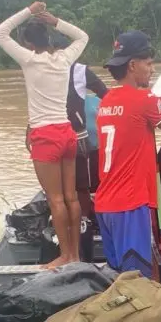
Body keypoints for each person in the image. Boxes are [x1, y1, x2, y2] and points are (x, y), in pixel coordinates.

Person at [95, 30, 161, 277]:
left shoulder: (107, 101)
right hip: (130, 204)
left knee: (118, 278)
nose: (151, 70)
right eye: (149, 63)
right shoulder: (144, 99)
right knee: (136, 281)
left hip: (105, 206)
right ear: (133, 65)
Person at [0, 2, 89, 269]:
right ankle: (76, 255)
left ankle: (66, 255)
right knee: (71, 197)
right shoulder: (64, 59)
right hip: (68, 133)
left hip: (45, 136)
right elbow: (83, 36)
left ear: (29, 44)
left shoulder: (29, 59)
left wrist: (27, 10)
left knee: (54, 199)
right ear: (48, 38)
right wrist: (56, 20)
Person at [69, 61, 109, 217]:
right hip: (79, 144)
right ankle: (83, 214)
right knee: (79, 183)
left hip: (95, 148)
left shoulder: (96, 101)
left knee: (91, 182)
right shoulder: (71, 101)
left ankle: (91, 213)